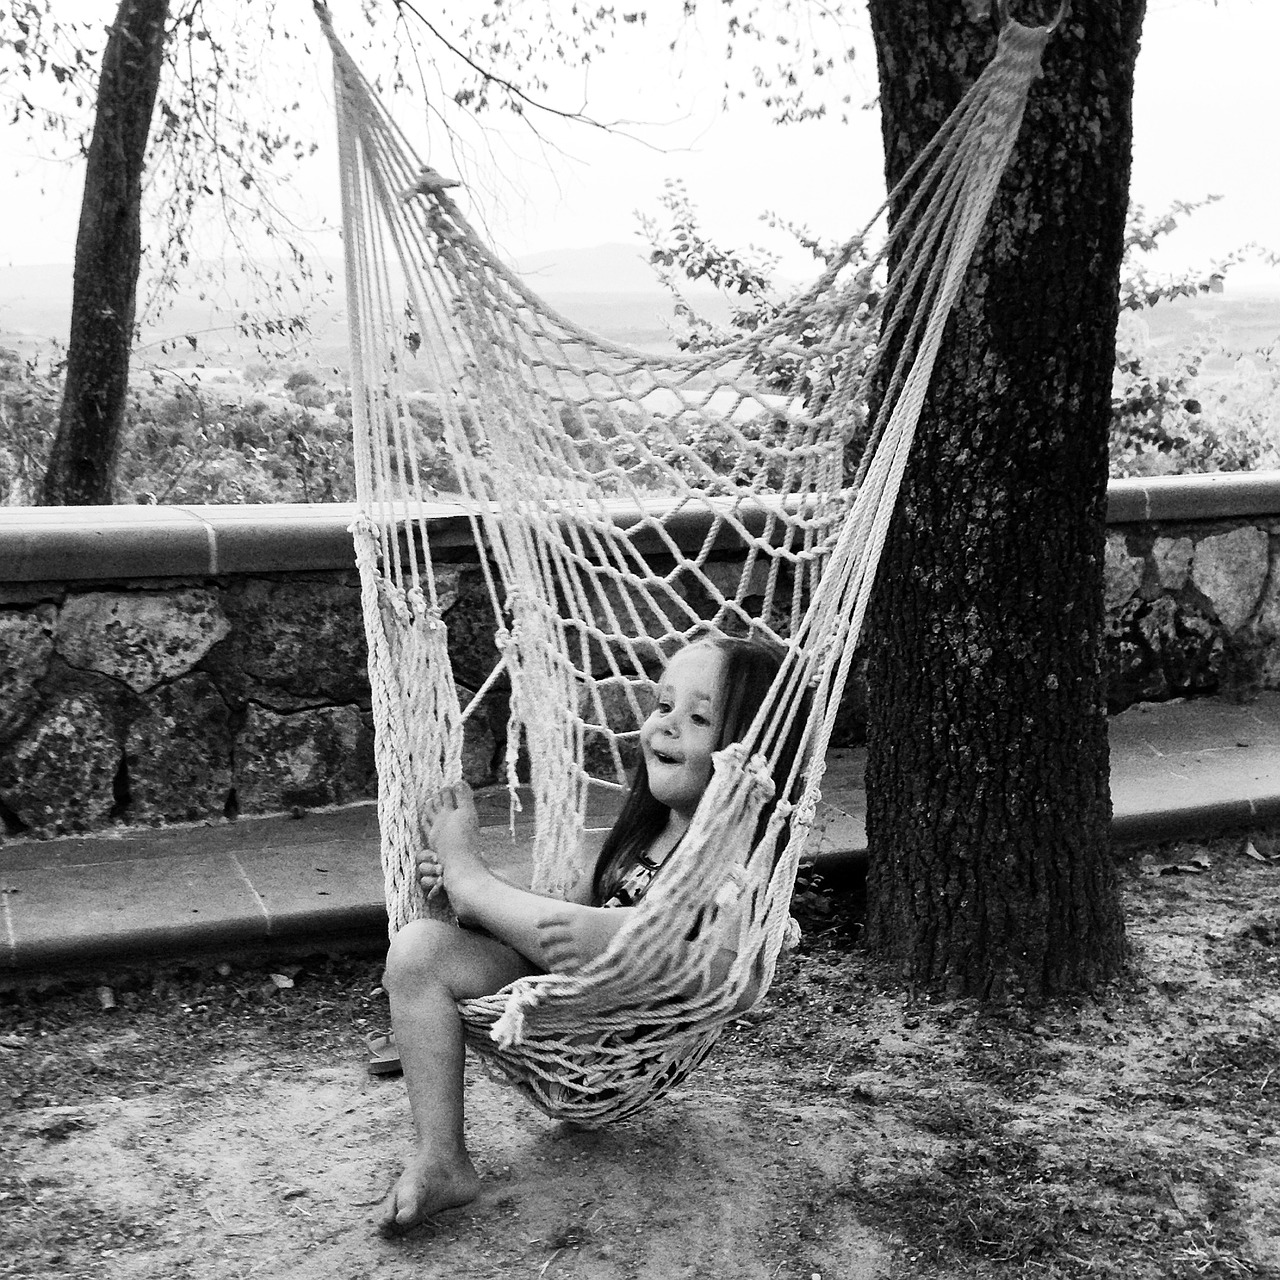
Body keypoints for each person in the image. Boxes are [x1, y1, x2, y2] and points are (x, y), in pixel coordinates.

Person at [376, 634, 795, 1234]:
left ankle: (474, 881)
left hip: (625, 1032)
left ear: (749, 755)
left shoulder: (740, 858)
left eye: (698, 717)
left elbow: (738, 974)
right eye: (661, 706)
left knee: (602, 930)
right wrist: (479, 915)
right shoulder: (643, 834)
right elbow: (560, 922)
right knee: (417, 951)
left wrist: (629, 940)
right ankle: (442, 1159)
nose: (665, 727)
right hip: (562, 1013)